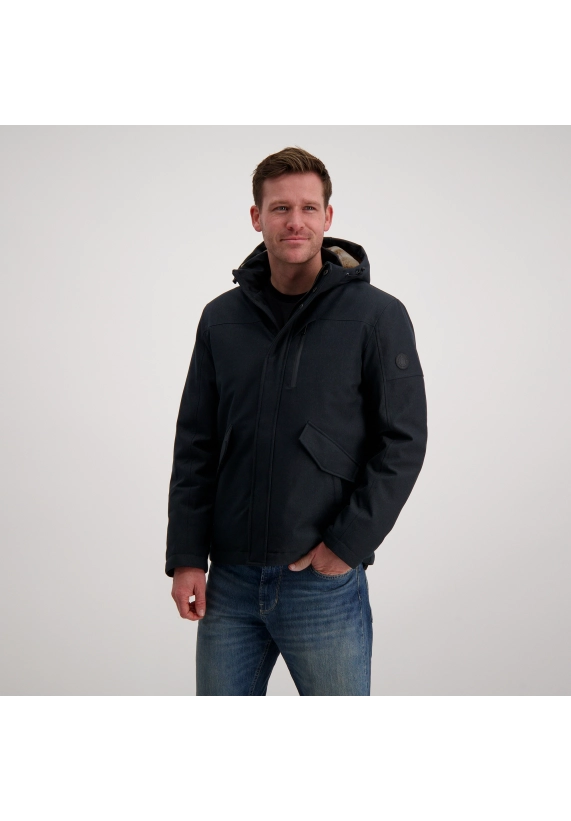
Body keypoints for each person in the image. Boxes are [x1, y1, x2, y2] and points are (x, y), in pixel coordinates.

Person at [166, 146, 427, 695]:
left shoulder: (377, 317)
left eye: (309, 208)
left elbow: (403, 441)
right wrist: (187, 557)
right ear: (256, 217)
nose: (295, 221)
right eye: (280, 208)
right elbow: (196, 442)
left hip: (321, 584)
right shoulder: (221, 319)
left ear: (327, 217)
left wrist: (345, 547)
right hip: (229, 584)